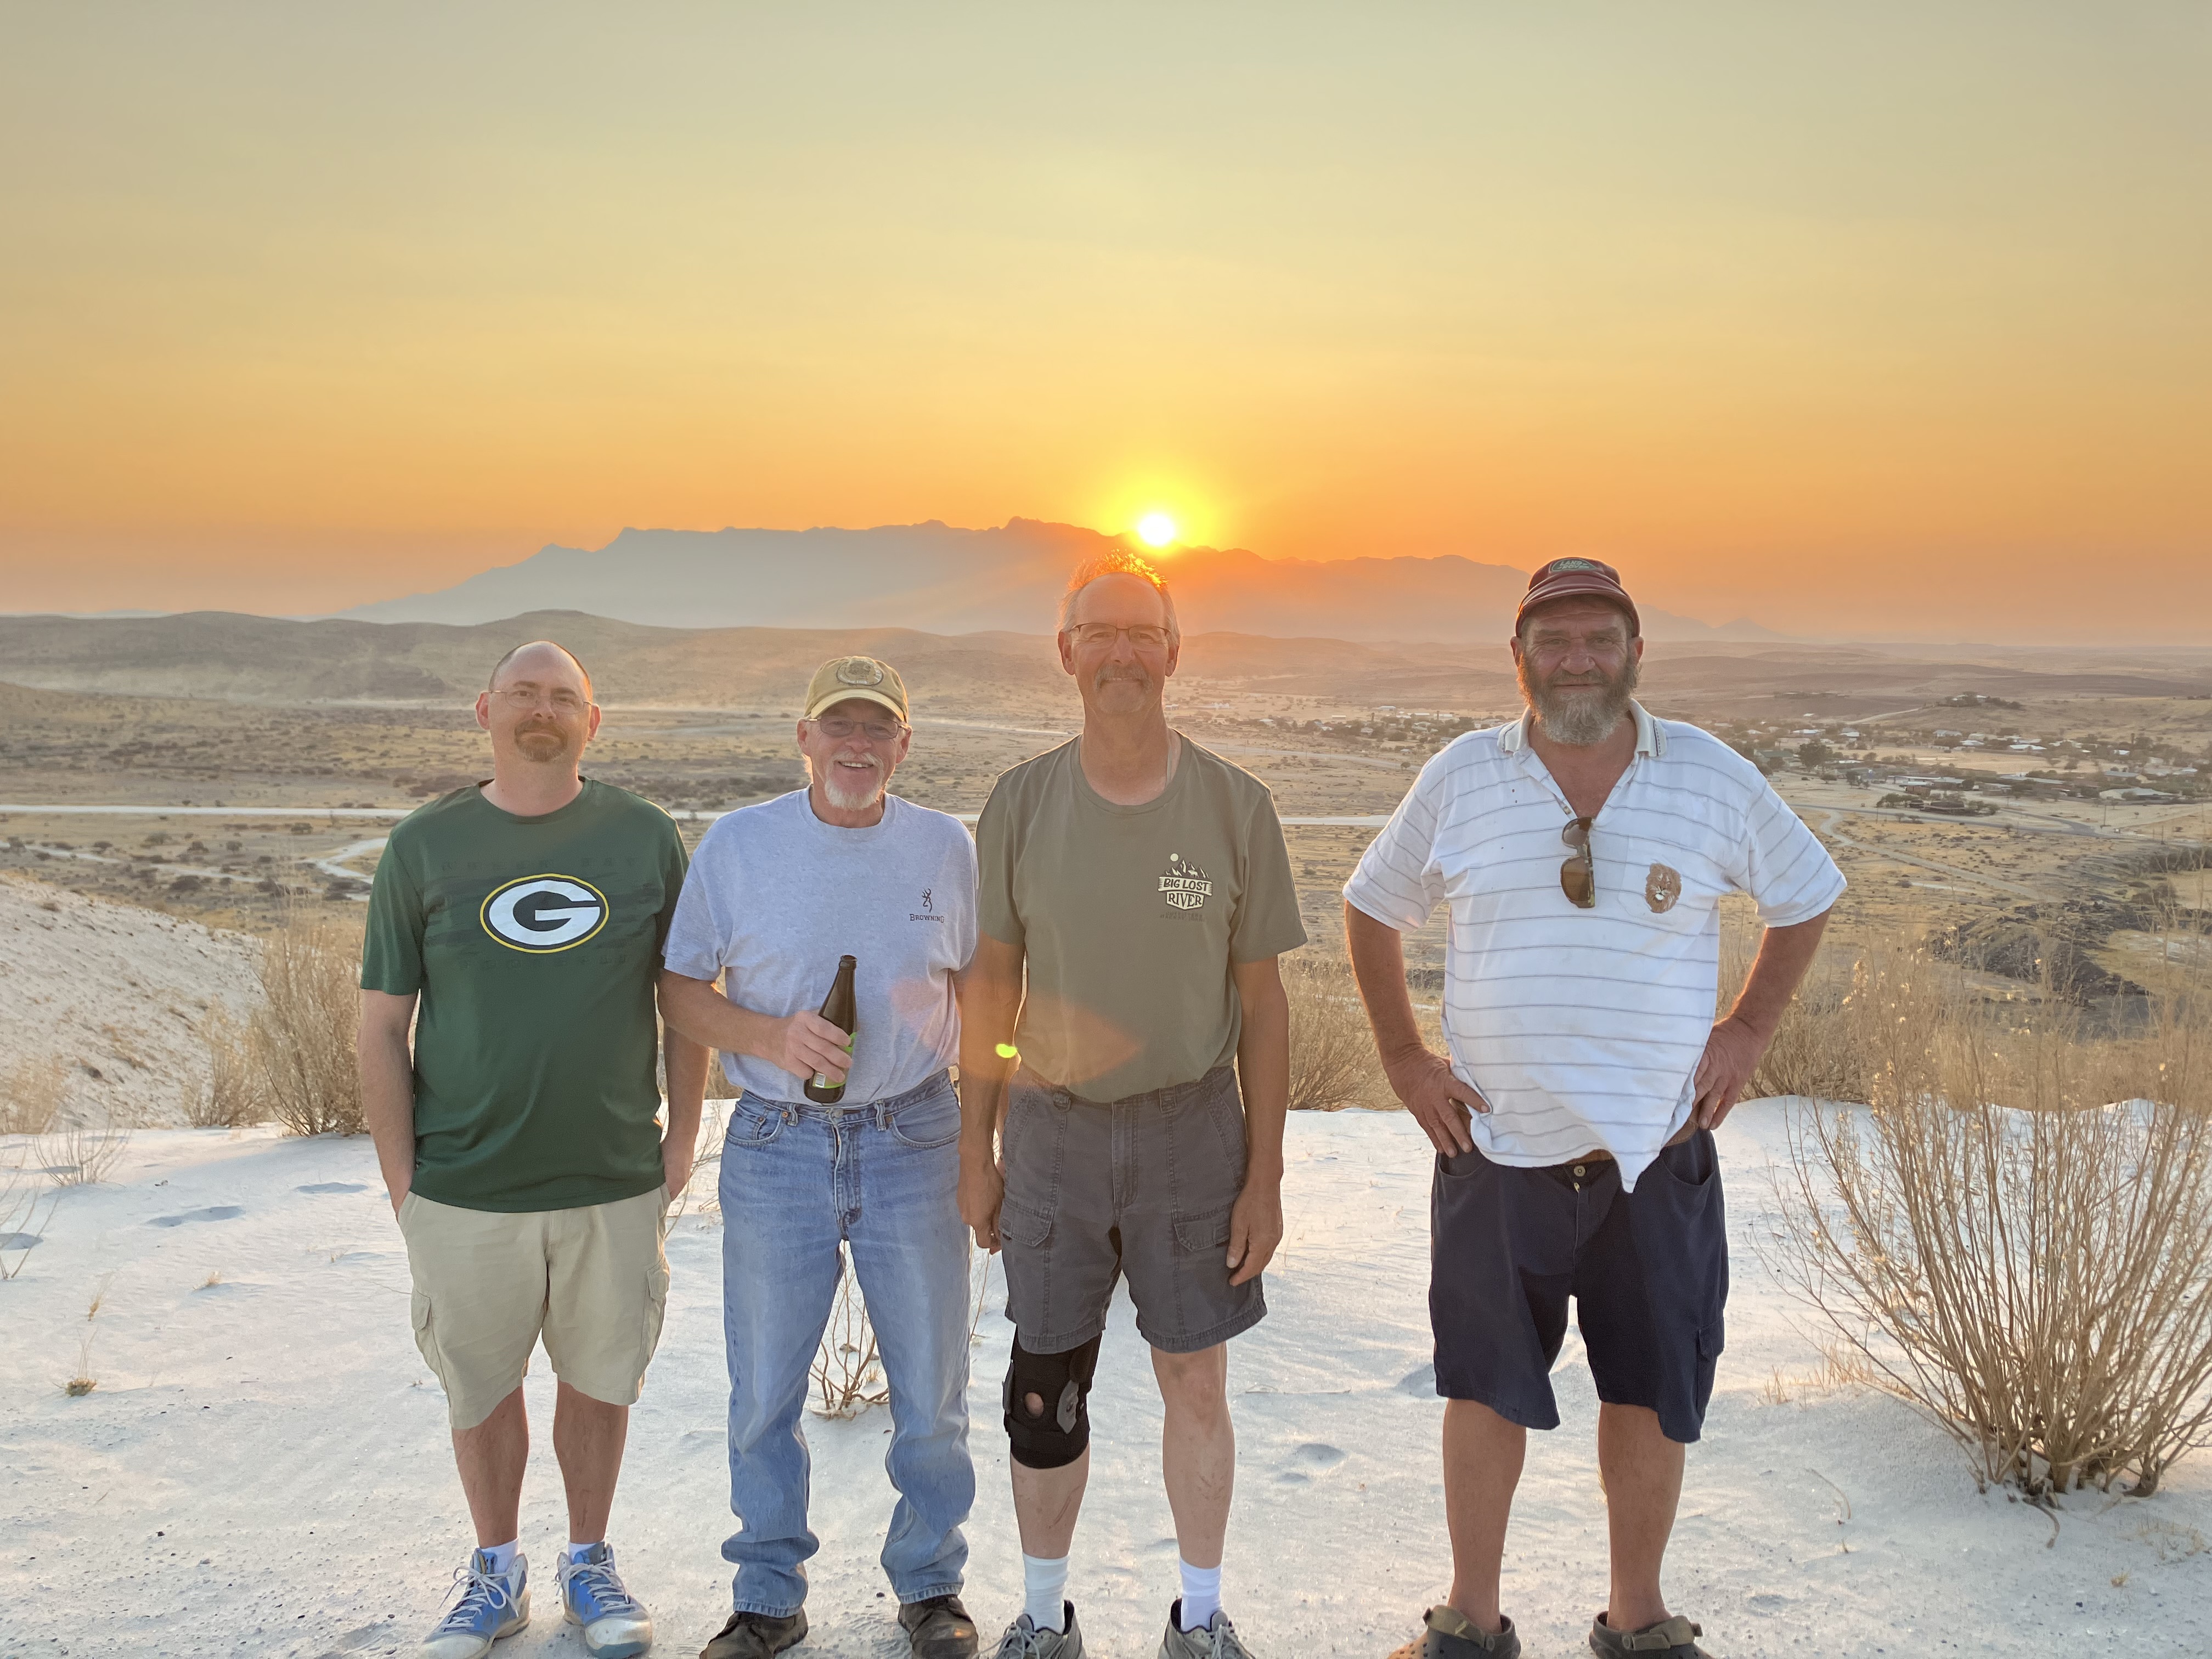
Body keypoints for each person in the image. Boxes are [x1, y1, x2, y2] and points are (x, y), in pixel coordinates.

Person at [1342, 559, 1845, 1659]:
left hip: (1656, 1155)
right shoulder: (1464, 775)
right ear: (1518, 656)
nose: (1577, 660)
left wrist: (1749, 1029)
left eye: (1599, 640)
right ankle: (1470, 1621)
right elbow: (1372, 906)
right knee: (1483, 1391)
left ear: (1635, 655)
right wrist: (1402, 1054)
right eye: (1554, 641)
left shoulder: (1708, 775)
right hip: (1496, 1150)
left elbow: (1805, 893)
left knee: (1650, 1393)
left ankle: (1638, 1619)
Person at [959, 551, 1307, 1659]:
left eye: (1140, 634)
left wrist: (1267, 1175)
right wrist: (980, 1149)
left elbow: (1264, 1005)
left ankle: (1199, 1622)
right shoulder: (1020, 803)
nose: (1121, 652)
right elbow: (990, 989)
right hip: (1053, 1131)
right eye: (1098, 633)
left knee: (1193, 1379)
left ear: (1172, 652)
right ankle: (1042, 1615)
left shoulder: (1234, 807)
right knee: (1043, 1387)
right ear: (1066, 655)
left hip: (1192, 1133)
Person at [359, 640, 709, 1659]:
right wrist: (403, 1185)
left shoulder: (644, 838)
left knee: (600, 1380)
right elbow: (382, 1027)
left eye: (564, 696)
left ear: (593, 721)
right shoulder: (424, 847)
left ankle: (589, 1562)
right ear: (485, 711)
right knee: (481, 1385)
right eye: (523, 693)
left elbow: (681, 1004)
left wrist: (683, 1135)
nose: (541, 710)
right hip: (464, 1186)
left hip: (611, 1174)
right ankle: (498, 1569)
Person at [658, 656, 982, 1659]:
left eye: (877, 728)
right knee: (764, 1389)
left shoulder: (945, 847)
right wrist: (767, 1038)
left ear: (903, 746)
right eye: (838, 726)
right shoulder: (740, 844)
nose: (858, 745)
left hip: (913, 1137)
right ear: (803, 739)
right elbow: (677, 988)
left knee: (931, 1390)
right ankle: (766, 1592)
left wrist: (987, 1137)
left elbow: (980, 991)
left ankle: (930, 1583)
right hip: (775, 1145)